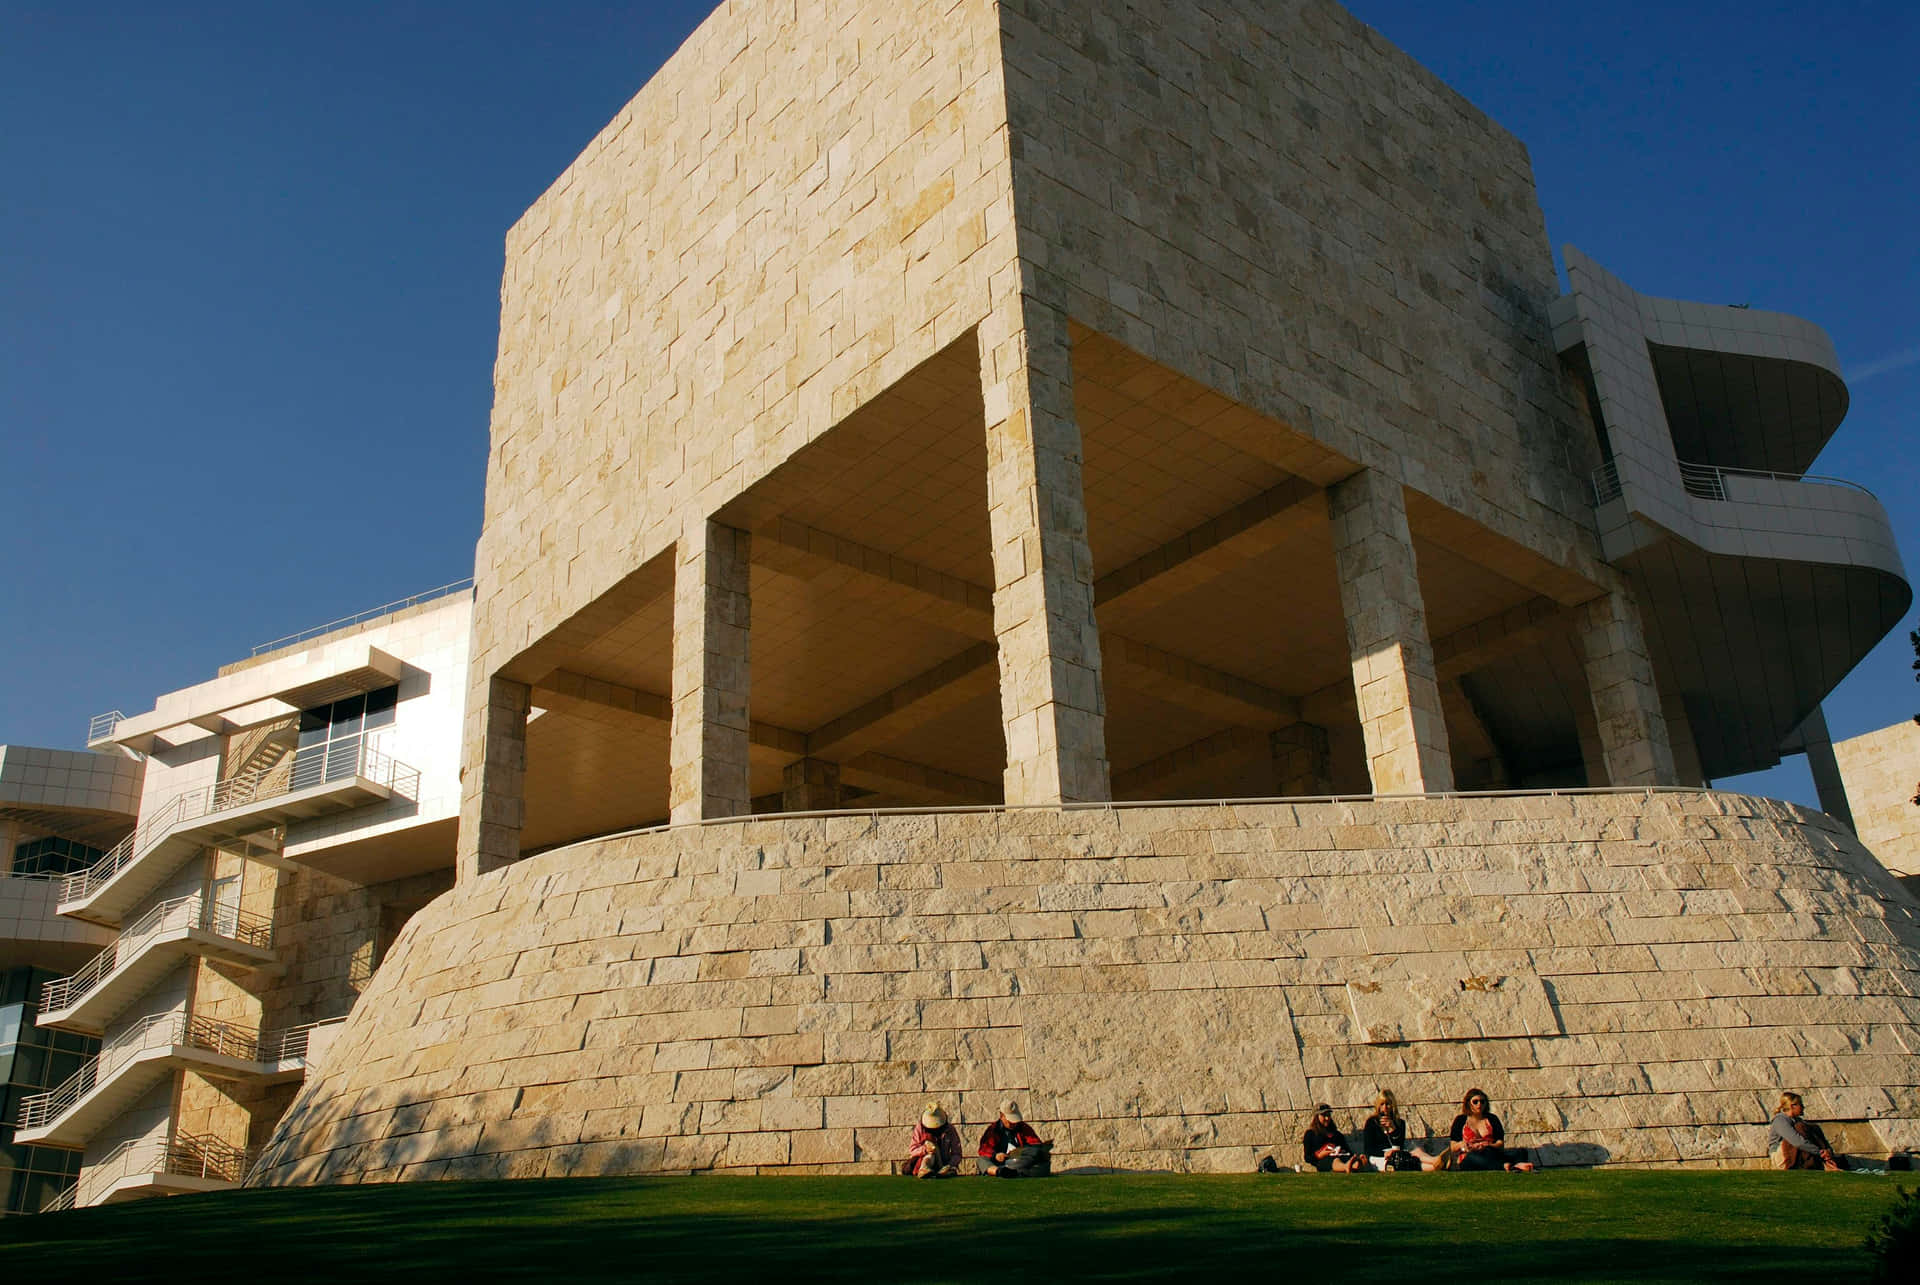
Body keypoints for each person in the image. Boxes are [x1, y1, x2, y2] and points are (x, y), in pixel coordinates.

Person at [1448, 1088, 1533, 1172]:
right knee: (1471, 1157)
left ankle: (1513, 1165)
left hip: (1490, 1152)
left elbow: (1500, 1143)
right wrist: (1463, 1145)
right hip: (1471, 1155)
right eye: (1475, 1102)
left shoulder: (1492, 1119)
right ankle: (1506, 1166)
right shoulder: (1461, 1120)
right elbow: (1453, 1146)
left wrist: (1487, 1145)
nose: (1479, 1104)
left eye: (1482, 1101)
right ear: (1468, 1104)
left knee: (1521, 1152)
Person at [1361, 1089, 1441, 1172]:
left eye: (1388, 1104)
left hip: (1396, 1151)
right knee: (1399, 1162)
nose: (1385, 1108)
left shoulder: (1400, 1123)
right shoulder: (1372, 1122)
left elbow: (1399, 1145)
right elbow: (1369, 1149)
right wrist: (1384, 1153)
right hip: (1379, 1156)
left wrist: (1393, 1129)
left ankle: (1434, 1160)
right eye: (1382, 1104)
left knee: (1416, 1150)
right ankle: (1433, 1166)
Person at [1770, 1091, 1843, 1171]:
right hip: (1781, 1157)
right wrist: (1819, 1152)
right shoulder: (1780, 1120)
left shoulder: (1798, 1120)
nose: (1803, 1107)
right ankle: (1818, 1164)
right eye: (1801, 1104)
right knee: (1801, 1128)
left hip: (1802, 1153)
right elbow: (1797, 1142)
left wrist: (1827, 1152)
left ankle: (1826, 1161)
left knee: (1813, 1127)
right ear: (1793, 1106)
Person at [978, 1099, 1051, 1177]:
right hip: (1001, 1163)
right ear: (1002, 1116)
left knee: (1041, 1161)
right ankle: (999, 1172)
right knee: (982, 1160)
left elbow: (1035, 1144)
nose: (1014, 1123)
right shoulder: (993, 1130)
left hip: (1021, 1161)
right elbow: (984, 1149)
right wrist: (995, 1155)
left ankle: (1016, 1172)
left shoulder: (1023, 1127)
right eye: (1010, 1121)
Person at [1302, 1104, 1369, 1173]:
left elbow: (1348, 1151)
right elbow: (1307, 1157)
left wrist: (1342, 1152)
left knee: (1350, 1159)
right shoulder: (1310, 1134)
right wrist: (1320, 1155)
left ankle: (1355, 1165)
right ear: (1316, 1117)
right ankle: (1346, 1167)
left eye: (1328, 1115)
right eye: (1324, 1115)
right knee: (1335, 1160)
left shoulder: (1337, 1134)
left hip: (1341, 1157)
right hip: (1323, 1161)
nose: (1327, 1118)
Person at [907, 1101, 964, 1178]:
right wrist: (925, 1149)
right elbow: (912, 1150)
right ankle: (925, 1168)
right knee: (930, 1155)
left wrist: (950, 1165)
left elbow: (957, 1153)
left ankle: (944, 1172)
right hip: (924, 1160)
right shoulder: (920, 1129)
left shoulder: (950, 1129)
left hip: (944, 1162)